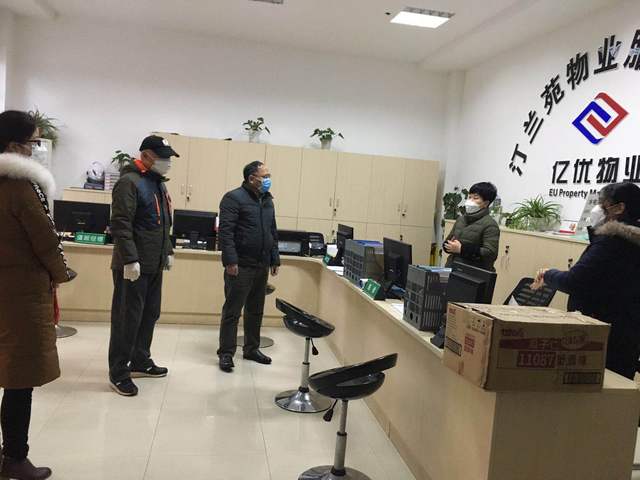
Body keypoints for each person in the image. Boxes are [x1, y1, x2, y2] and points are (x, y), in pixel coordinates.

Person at [0, 110, 75, 480]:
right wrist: (61, 273)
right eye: (33, 142)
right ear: (15, 146)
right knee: (19, 378)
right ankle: (15, 457)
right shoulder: (21, 187)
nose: (37, 149)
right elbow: (45, 240)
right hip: (21, 295)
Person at [531, 182, 640, 380]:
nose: (597, 209)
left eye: (602, 204)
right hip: (627, 332)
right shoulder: (630, 241)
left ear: (619, 208)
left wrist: (548, 274)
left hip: (600, 334)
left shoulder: (612, 241)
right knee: (618, 389)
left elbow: (574, 281)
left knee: (596, 390)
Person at [108, 135, 179, 396]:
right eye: (163, 157)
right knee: (127, 319)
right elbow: (121, 224)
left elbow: (163, 224)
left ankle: (140, 360)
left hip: (153, 263)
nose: (168, 162)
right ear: (146, 155)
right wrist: (129, 259)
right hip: (133, 265)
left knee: (149, 314)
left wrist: (167, 251)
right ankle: (118, 372)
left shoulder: (157, 183)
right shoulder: (129, 182)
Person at [217, 160, 280, 373]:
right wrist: (230, 261)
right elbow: (226, 233)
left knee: (255, 311)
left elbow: (272, 231)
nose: (268, 180)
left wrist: (274, 258)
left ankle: (251, 349)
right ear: (252, 178)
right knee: (232, 311)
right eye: (265, 176)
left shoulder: (268, 200)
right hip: (240, 265)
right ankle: (226, 353)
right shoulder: (233, 198)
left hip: (261, 264)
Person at [444, 182, 500, 271]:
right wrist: (448, 246)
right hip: (453, 267)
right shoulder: (461, 219)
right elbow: (449, 241)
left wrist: (462, 249)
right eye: (469, 197)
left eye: (475, 198)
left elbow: (490, 254)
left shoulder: (490, 225)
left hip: (473, 273)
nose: (470, 201)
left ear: (486, 203)